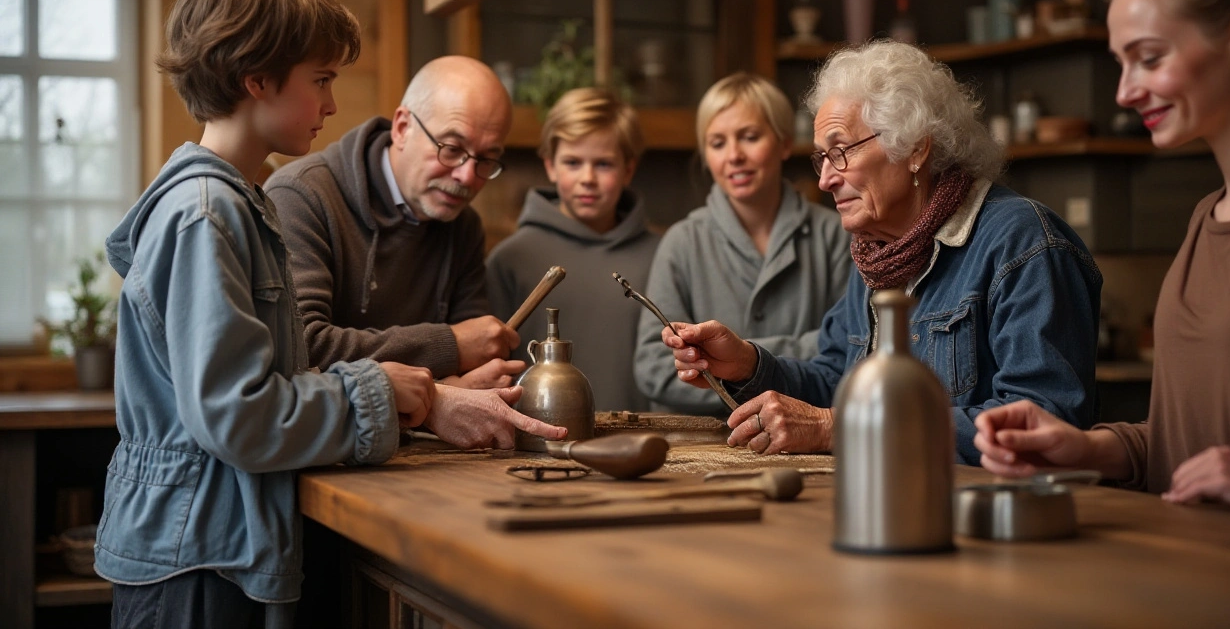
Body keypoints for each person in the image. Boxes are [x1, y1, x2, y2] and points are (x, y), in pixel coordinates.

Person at [96, 0, 566, 628]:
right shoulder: (206, 214)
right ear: (256, 80)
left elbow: (273, 379)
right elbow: (238, 416)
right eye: (320, 80)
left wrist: (411, 392)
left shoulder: (236, 204)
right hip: (193, 558)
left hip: (215, 541)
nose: (332, 105)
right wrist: (391, 391)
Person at [661, 42, 1102, 464]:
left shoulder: (1023, 242)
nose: (825, 180)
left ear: (914, 148)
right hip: (891, 504)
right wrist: (747, 365)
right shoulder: (880, 252)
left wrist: (841, 427)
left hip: (992, 523)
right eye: (821, 158)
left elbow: (1043, 425)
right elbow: (836, 378)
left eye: (840, 151)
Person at [975, 0, 1230, 515]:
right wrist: (1086, 448)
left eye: (1149, 57)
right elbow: (1190, 449)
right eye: (1120, 62)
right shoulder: (1206, 217)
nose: (1124, 91)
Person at [265, 55, 523, 388]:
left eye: (487, 159)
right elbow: (303, 346)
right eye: (452, 148)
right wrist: (449, 346)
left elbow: (475, 361)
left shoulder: (463, 224)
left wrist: (466, 372)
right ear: (402, 128)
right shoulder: (301, 196)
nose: (467, 176)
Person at [634, 73, 852, 415]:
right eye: (717, 143)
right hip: (701, 451)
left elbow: (851, 350)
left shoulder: (836, 235)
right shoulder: (681, 242)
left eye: (749, 137)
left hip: (806, 445)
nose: (734, 155)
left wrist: (745, 358)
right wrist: (793, 354)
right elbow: (654, 368)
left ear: (783, 143)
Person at [487, 88, 660, 411]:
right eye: (572, 162)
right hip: (537, 442)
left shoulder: (664, 255)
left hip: (646, 443)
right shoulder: (510, 260)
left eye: (604, 164)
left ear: (629, 169)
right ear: (550, 166)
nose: (587, 178)